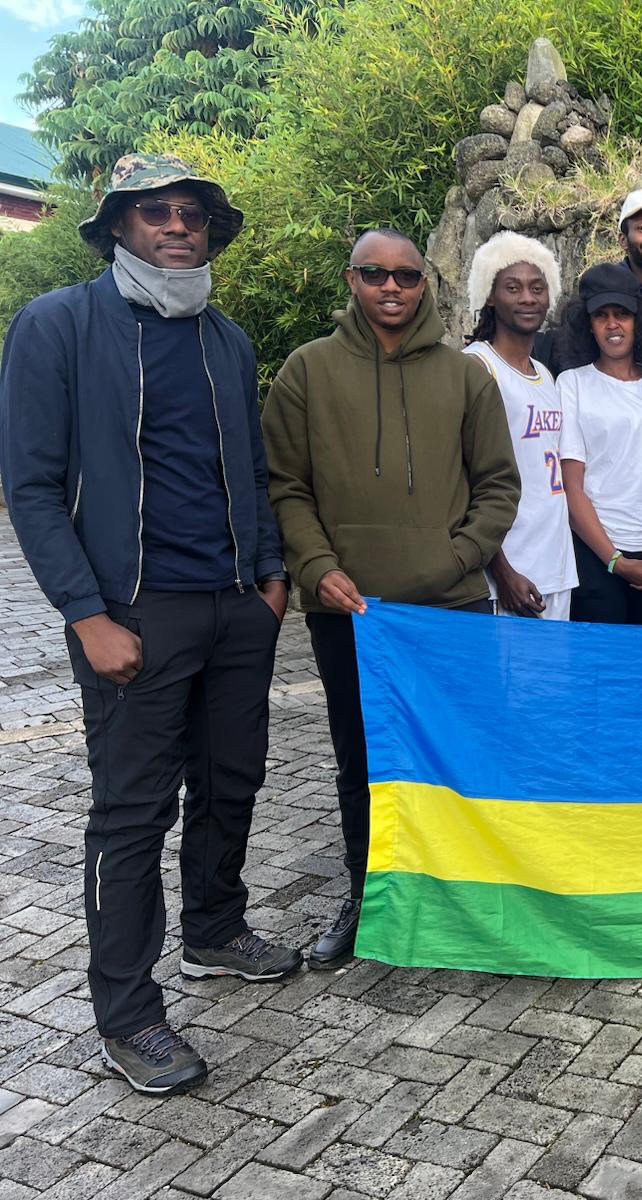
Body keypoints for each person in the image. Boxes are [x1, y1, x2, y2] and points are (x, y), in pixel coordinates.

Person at [0, 153, 301, 1094]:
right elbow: (33, 487)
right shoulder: (59, 325)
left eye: (193, 214)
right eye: (156, 212)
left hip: (234, 611)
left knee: (231, 783)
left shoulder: (225, 338)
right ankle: (127, 1015)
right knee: (130, 818)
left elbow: (248, 470)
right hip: (133, 616)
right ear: (119, 227)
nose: (179, 226)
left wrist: (269, 578)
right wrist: (87, 617)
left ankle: (213, 931)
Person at [262, 228, 519, 969]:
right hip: (354, 611)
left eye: (406, 276)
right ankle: (368, 895)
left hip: (455, 608)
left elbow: (499, 485)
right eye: (376, 274)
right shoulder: (306, 373)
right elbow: (285, 486)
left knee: (465, 751)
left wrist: (460, 558)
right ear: (352, 280)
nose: (392, 288)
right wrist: (314, 565)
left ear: (423, 284)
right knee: (364, 760)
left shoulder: (466, 377)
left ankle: (472, 901)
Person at [556, 262, 642, 624]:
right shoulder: (572, 384)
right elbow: (572, 487)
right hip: (598, 555)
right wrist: (614, 560)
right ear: (588, 325)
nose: (613, 324)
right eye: (601, 315)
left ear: (639, 319)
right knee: (602, 672)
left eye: (622, 314)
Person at [463, 232, 575, 620]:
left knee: (551, 683)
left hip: (556, 568)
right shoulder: (478, 367)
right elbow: (463, 480)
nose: (528, 298)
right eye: (513, 287)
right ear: (490, 296)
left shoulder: (543, 374)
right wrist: (503, 572)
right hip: (510, 576)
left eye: (537, 287)